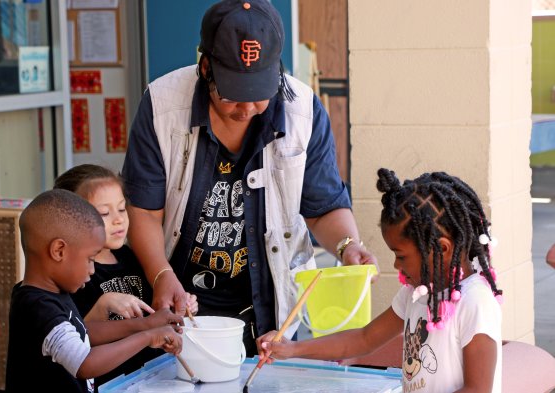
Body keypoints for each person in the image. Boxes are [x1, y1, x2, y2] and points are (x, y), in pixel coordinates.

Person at [121, 0, 377, 356]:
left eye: (259, 95)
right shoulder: (162, 106)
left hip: (269, 310)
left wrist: (347, 245)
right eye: (232, 95)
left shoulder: (303, 109)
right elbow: (144, 212)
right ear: (205, 67)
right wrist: (162, 276)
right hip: (183, 306)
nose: (246, 109)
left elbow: (322, 207)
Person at [256, 168, 503, 393]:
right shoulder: (416, 294)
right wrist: (291, 349)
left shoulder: (475, 302)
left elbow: (478, 389)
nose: (396, 265)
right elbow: (365, 338)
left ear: (443, 248)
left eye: (401, 255)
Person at [5, 189, 183, 393]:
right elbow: (85, 363)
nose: (92, 270)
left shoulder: (52, 293)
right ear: (59, 251)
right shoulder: (37, 307)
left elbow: (82, 332)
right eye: (90, 259)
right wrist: (148, 337)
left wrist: (145, 324)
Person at [53, 164, 197, 387]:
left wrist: (179, 308)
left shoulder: (130, 257)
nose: (119, 219)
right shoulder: (73, 275)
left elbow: (153, 316)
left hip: (148, 380)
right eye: (104, 213)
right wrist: (103, 306)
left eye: (121, 209)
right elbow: (76, 341)